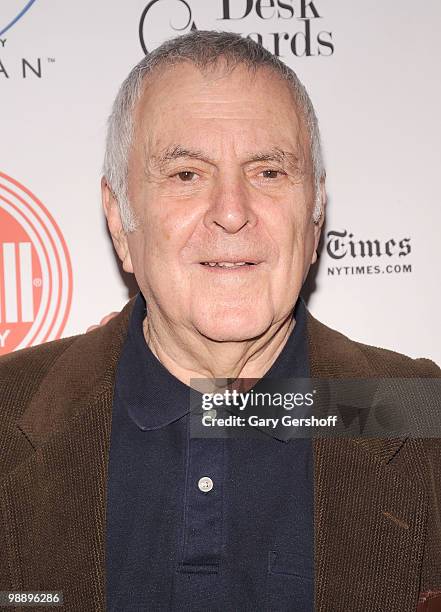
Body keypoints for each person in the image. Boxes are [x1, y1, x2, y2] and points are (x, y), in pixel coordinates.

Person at [0, 30, 440, 612]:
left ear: (315, 219)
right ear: (118, 219)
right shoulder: (10, 414)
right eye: (186, 174)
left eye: (269, 173)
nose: (232, 212)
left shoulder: (421, 418)